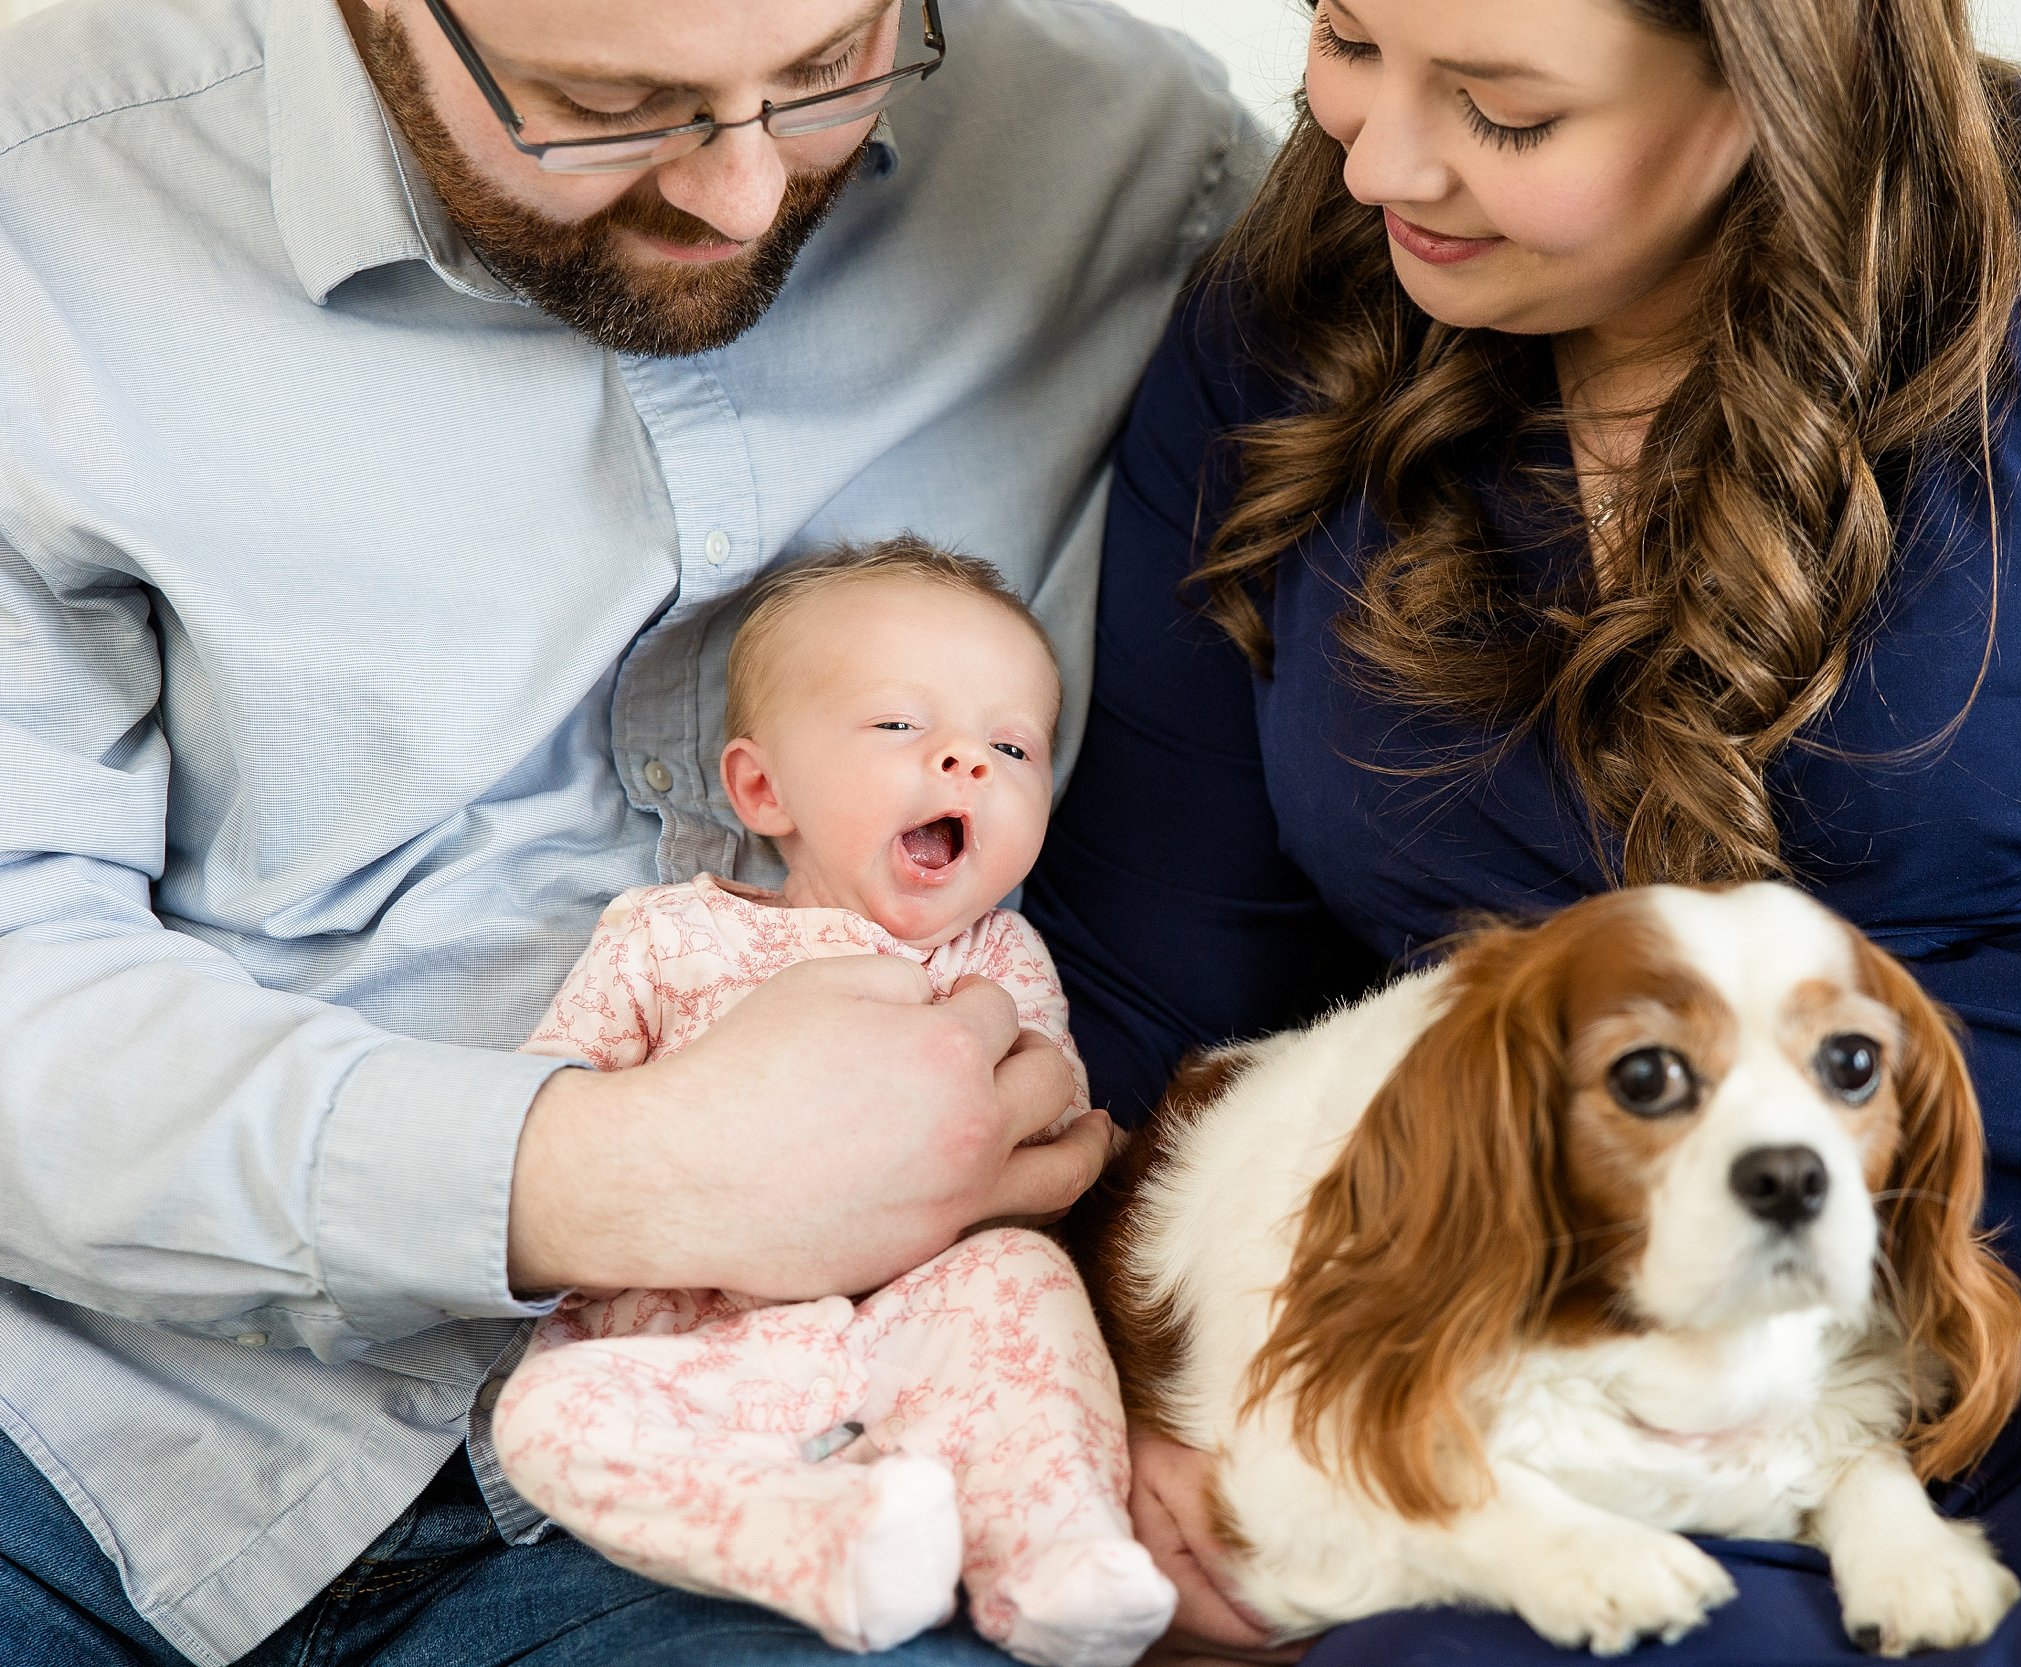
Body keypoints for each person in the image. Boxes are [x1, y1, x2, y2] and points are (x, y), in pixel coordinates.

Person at [1022, 0, 2021, 1661]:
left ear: (1773, 72)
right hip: (1623, 1342)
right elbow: (1151, 994)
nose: (1374, 157)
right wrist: (1092, 1397)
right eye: (1349, 39)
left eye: (1505, 112)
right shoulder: (1289, 325)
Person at [0, 0, 1260, 1655]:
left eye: (828, 76)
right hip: (88, 1426)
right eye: (603, 105)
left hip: (816, 1472)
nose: (742, 195)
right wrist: (621, 1174)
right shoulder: (43, 210)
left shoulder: (1142, 172)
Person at [494, 543, 1175, 1666]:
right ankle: (822, 1540)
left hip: (912, 1340)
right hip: (699, 1353)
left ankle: (1055, 1551)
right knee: (546, 1417)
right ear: (764, 788)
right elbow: (548, 1104)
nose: (965, 759)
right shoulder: (670, 935)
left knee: (1025, 1282)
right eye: (900, 726)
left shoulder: (1002, 957)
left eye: (1012, 746)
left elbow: (1034, 1153)